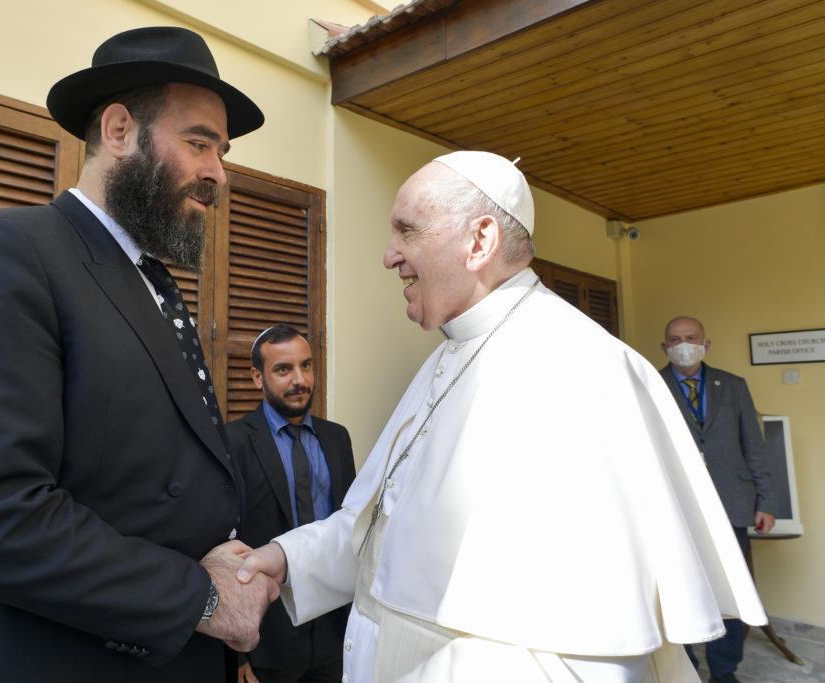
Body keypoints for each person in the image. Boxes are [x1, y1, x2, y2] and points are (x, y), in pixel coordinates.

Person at [237, 151, 769, 682]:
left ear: (480, 241)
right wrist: (287, 560)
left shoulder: (581, 368)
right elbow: (384, 533)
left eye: (407, 230)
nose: (389, 255)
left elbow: (581, 654)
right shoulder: (449, 356)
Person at [0, 27, 280, 682]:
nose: (218, 171)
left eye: (223, 150)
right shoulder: (5, 250)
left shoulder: (154, 285)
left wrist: (222, 647)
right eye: (199, 142)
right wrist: (201, 599)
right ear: (121, 130)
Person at [227, 325, 357, 683]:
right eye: (284, 369)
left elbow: (351, 527)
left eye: (307, 365)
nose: (300, 379)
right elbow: (225, 547)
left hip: (333, 633)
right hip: (266, 639)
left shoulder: (337, 438)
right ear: (257, 377)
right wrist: (237, 655)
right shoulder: (232, 442)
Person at [661, 316, 777, 683]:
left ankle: (724, 672)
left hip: (732, 503)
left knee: (730, 591)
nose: (684, 344)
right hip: (675, 506)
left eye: (691, 337)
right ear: (665, 347)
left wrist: (766, 501)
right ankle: (687, 669)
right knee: (682, 588)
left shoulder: (734, 386)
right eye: (676, 339)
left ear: (705, 344)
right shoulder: (652, 385)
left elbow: (754, 447)